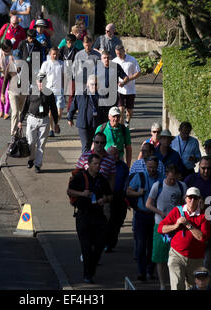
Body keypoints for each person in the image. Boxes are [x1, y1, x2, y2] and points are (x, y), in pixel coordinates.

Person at [67, 153, 113, 283]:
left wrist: (104, 199)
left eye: (99, 164)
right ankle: (87, 274)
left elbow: (110, 196)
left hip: (98, 216)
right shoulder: (80, 177)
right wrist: (82, 193)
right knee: (86, 248)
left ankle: (91, 270)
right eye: (95, 164)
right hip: (83, 215)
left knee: (99, 245)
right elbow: (69, 191)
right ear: (89, 165)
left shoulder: (101, 179)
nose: (98, 166)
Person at [158, 186, 211, 290]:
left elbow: (203, 238)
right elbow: (160, 228)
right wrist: (175, 225)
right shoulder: (177, 211)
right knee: (177, 285)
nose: (192, 200)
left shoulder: (204, 216)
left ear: (199, 200)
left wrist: (188, 224)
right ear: (185, 198)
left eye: (195, 198)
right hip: (176, 255)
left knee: (191, 287)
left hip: (195, 259)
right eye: (190, 197)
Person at [146, 164, 187, 290]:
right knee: (160, 257)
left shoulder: (181, 186)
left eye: (174, 179)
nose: (172, 181)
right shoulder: (157, 186)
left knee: (177, 256)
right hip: (161, 225)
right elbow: (148, 204)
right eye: (170, 179)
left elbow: (186, 203)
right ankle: (163, 284)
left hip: (177, 226)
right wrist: (161, 213)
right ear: (166, 175)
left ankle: (175, 282)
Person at [127, 156, 161, 281]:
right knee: (141, 245)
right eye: (149, 167)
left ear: (157, 167)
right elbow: (128, 191)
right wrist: (139, 193)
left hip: (155, 216)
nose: (151, 170)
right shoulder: (140, 176)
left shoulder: (161, 178)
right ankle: (141, 271)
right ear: (146, 166)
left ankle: (150, 271)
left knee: (152, 245)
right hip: (141, 215)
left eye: (154, 167)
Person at [18, 73, 59, 173]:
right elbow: (25, 107)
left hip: (44, 121)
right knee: (31, 142)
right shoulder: (31, 91)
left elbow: (53, 109)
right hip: (32, 119)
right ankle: (31, 159)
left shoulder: (50, 94)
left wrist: (56, 123)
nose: (41, 84)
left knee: (41, 144)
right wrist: (20, 121)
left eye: (43, 82)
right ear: (36, 82)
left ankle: (38, 165)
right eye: (39, 82)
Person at [67, 75, 109, 153]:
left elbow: (106, 110)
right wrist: (70, 117)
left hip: (97, 125)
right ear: (87, 84)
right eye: (92, 84)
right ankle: (85, 163)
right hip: (84, 125)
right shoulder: (81, 95)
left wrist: (106, 123)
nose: (94, 86)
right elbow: (73, 106)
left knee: (97, 146)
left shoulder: (102, 96)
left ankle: (95, 163)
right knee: (86, 145)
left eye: (96, 84)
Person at [184, 156, 211, 268]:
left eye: (208, 168)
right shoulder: (191, 179)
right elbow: (182, 198)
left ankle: (205, 280)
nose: (206, 171)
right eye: (203, 168)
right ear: (198, 167)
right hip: (194, 221)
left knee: (208, 254)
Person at [106, 146, 129, 252]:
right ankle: (107, 242)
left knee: (118, 220)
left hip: (120, 196)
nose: (117, 156)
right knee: (108, 219)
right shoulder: (104, 165)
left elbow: (126, 179)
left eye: (118, 154)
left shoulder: (123, 166)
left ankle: (112, 240)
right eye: (114, 154)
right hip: (108, 196)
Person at [113, 44, 141, 128]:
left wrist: (128, 79)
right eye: (117, 54)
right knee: (120, 110)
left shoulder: (132, 60)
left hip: (130, 89)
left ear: (124, 51)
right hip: (119, 89)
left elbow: (138, 73)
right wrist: (117, 82)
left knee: (129, 111)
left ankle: (127, 122)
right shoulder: (114, 61)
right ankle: (122, 128)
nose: (119, 55)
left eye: (120, 53)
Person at [39, 47, 64, 137]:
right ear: (50, 54)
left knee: (59, 112)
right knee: (50, 111)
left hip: (59, 91)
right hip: (49, 90)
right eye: (54, 54)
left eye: (57, 54)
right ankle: (51, 129)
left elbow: (65, 77)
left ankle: (56, 123)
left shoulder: (62, 64)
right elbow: (40, 77)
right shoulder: (45, 64)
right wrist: (40, 87)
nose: (55, 56)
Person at [59, 33, 79, 112]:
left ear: (74, 42)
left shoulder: (77, 51)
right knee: (62, 91)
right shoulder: (62, 49)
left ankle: (69, 110)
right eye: (68, 41)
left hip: (72, 73)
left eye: (71, 42)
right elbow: (58, 60)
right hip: (63, 72)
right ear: (66, 41)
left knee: (71, 92)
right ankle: (60, 107)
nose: (69, 43)